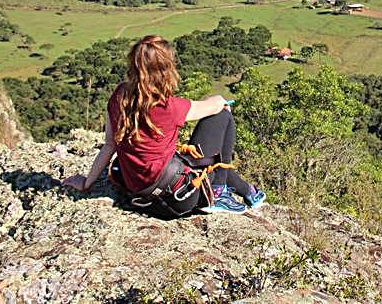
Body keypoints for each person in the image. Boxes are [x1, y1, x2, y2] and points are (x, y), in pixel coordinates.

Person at [62, 34, 265, 217]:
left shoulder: (119, 97)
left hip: (137, 196)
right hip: (177, 198)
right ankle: (219, 191)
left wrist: (87, 183)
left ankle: (248, 191)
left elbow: (109, 145)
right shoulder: (170, 107)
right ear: (166, 70)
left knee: (186, 161)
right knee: (222, 115)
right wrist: (222, 100)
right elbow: (214, 106)